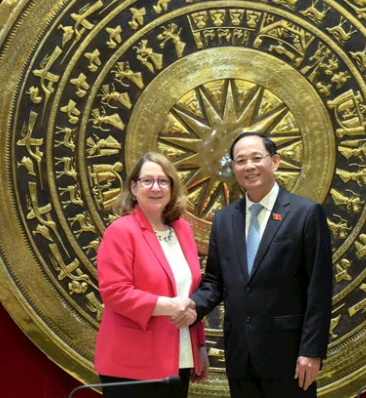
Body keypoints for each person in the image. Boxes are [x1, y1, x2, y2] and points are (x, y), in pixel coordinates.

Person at [190, 132, 333, 397]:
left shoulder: (305, 213)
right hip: (241, 357)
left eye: (257, 158)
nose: (249, 166)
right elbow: (215, 281)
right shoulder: (223, 219)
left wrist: (311, 351)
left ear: (275, 161)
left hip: (290, 357)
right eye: (240, 160)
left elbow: (319, 288)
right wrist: (191, 307)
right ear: (233, 168)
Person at [94, 152, 209, 398]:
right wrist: (170, 305)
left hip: (179, 357)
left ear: (172, 187)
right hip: (132, 363)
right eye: (147, 181)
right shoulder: (121, 231)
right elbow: (115, 293)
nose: (156, 187)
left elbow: (190, 292)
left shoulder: (183, 230)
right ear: (134, 187)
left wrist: (199, 345)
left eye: (163, 181)